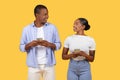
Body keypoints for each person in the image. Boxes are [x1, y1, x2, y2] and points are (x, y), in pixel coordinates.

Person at [19, 4, 61, 80]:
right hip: (33, 65)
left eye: (47, 14)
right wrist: (30, 44)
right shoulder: (26, 29)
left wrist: (49, 44)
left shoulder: (52, 27)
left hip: (49, 65)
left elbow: (58, 44)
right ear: (37, 15)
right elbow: (21, 47)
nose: (47, 16)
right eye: (45, 14)